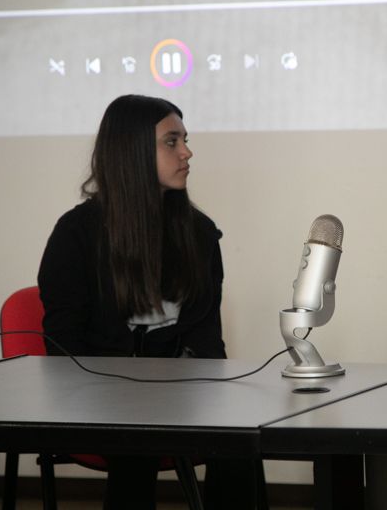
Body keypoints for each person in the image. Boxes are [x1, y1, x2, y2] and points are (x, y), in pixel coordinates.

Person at [37, 94, 257, 510]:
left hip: (179, 390)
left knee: (241, 436)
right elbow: (64, 346)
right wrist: (125, 390)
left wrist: (216, 396)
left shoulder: (199, 233)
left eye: (185, 140)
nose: (187, 152)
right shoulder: (76, 234)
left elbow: (207, 339)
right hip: (101, 393)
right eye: (172, 142)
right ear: (132, 150)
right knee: (137, 438)